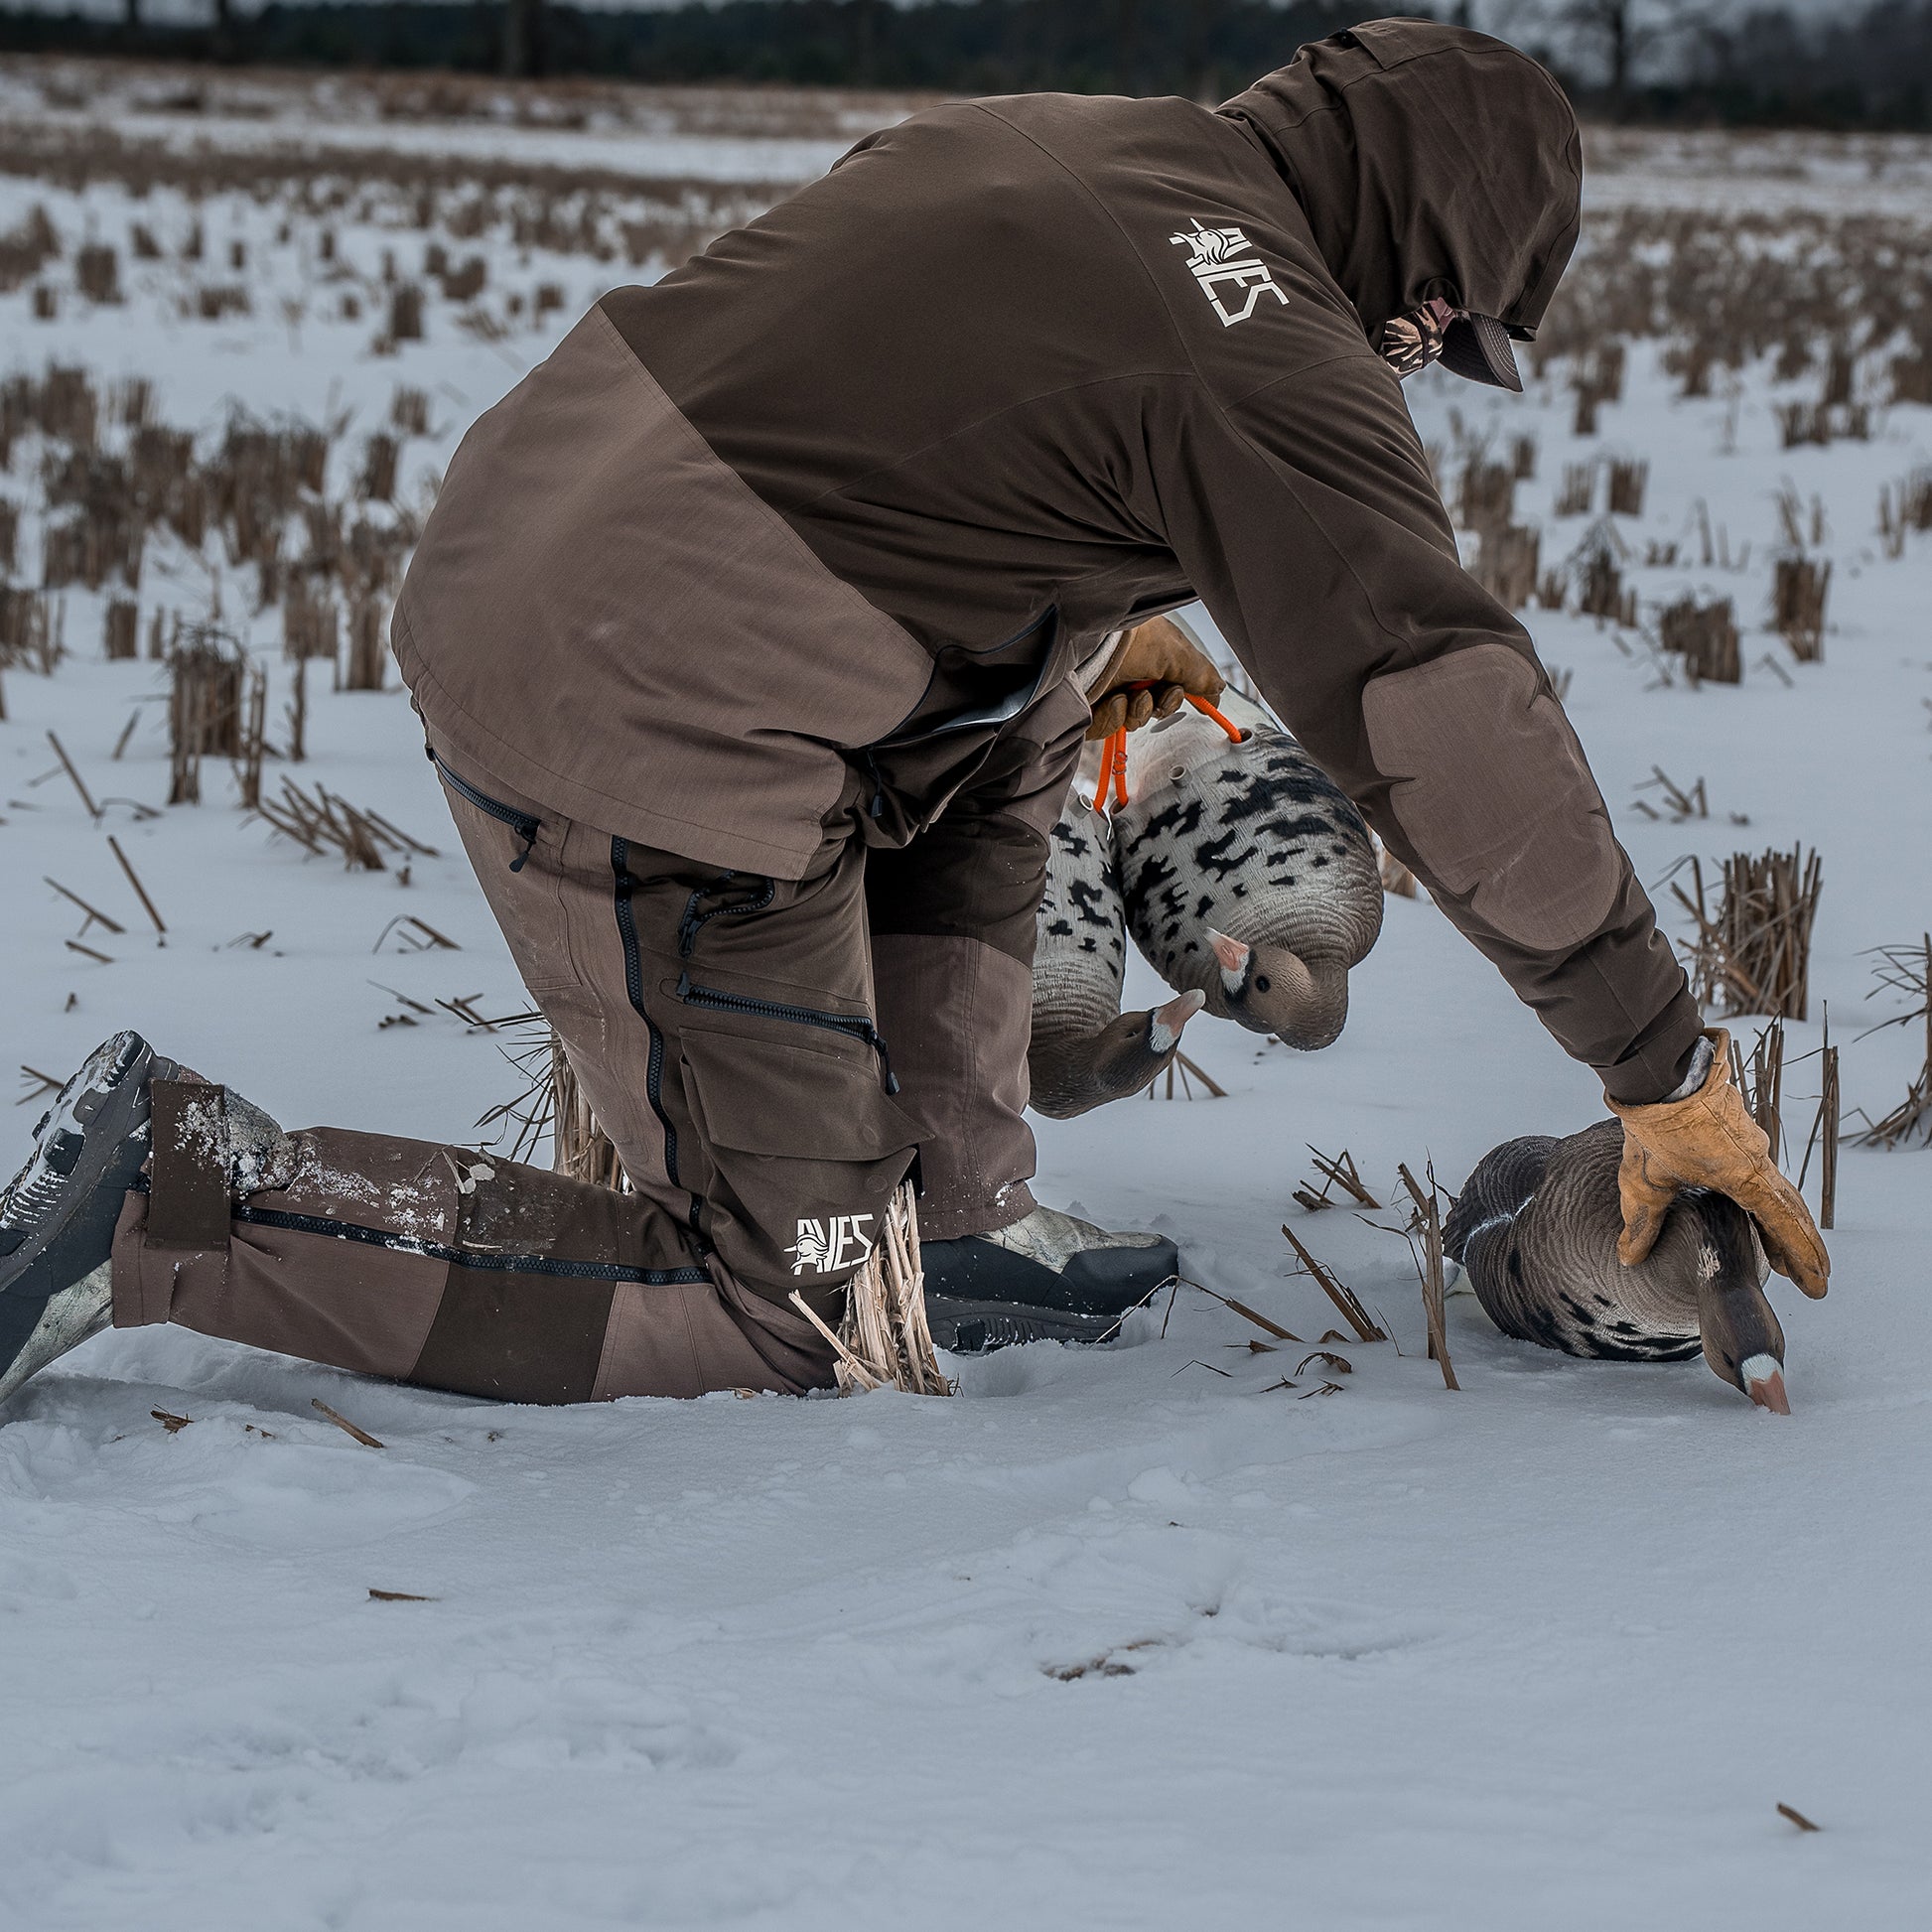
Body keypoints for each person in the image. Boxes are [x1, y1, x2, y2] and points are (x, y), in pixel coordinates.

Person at [0, 22, 1827, 1413]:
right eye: (1445, 328)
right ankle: (189, 1201)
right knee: (793, 1313)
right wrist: (1660, 1070)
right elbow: (1437, 707)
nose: (1423, 364)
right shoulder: (1260, 340)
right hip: (645, 710)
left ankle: (944, 1206)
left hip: (572, 550)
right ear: (1421, 264)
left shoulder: (1094, 146)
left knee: (1052, 669)